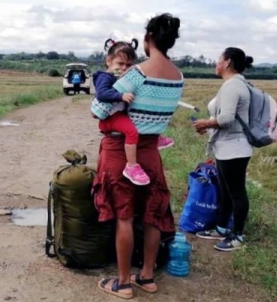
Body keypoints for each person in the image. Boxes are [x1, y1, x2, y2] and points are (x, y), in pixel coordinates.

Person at [92, 13, 183, 299]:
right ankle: (146, 276)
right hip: (151, 151)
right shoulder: (178, 77)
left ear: (148, 39)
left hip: (121, 151)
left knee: (125, 216)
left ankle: (122, 283)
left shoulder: (137, 73)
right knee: (153, 214)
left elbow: (99, 110)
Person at [193, 47, 254, 252]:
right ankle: (221, 228)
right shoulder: (235, 84)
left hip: (234, 148)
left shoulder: (232, 86)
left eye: (218, 59)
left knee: (236, 192)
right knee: (226, 191)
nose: (216, 63)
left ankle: (237, 235)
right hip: (227, 147)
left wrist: (205, 123)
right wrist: (207, 125)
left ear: (227, 62)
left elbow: (226, 119)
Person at [90, 39, 175, 186]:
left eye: (128, 65)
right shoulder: (105, 77)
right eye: (120, 64)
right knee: (132, 132)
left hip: (120, 114)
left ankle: (155, 137)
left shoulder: (123, 77)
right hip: (111, 118)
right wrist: (120, 95)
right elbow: (102, 94)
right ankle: (131, 166)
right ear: (108, 61)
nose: (124, 68)